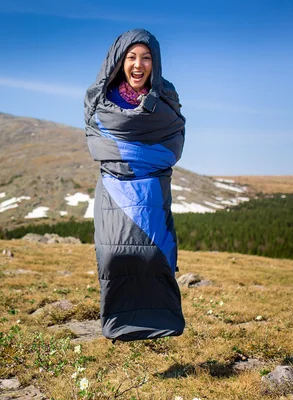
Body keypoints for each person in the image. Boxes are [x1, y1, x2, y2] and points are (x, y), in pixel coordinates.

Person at [84, 28, 186, 342]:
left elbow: (172, 140)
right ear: (119, 61)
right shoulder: (100, 99)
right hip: (114, 187)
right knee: (114, 254)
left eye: (146, 57)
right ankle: (118, 320)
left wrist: (144, 155)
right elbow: (98, 140)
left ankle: (160, 319)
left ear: (155, 62)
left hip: (151, 186)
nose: (138, 64)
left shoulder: (165, 98)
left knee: (155, 255)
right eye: (131, 57)